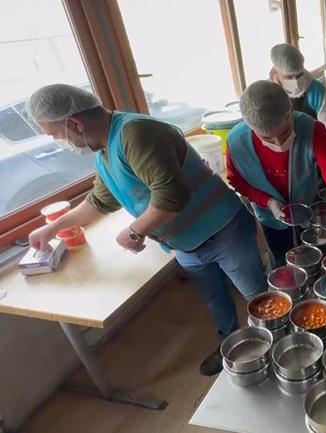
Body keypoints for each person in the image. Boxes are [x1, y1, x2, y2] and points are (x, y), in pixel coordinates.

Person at [26, 84, 267, 377]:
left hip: (223, 230)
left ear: (74, 123)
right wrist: (53, 228)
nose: (60, 141)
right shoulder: (105, 152)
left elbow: (170, 197)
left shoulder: (135, 134)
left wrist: (135, 231)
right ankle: (231, 344)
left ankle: (272, 346)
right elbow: (99, 201)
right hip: (186, 244)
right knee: (216, 298)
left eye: (57, 134)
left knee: (257, 296)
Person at [225, 80, 326, 275]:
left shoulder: (313, 131)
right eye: (267, 139)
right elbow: (237, 181)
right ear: (251, 128)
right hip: (269, 217)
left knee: (314, 258)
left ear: (291, 111)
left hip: (307, 211)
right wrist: (267, 202)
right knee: (282, 261)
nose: (279, 143)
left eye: (285, 132)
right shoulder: (236, 143)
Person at [270, 44, 326, 146]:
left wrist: (325, 153)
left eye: (299, 75)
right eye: (289, 77)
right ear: (276, 71)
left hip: (313, 145)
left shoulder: (317, 92)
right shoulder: (268, 93)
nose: (295, 81)